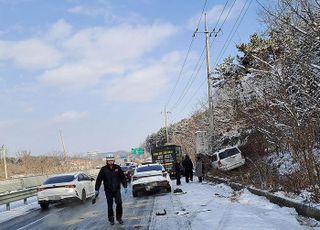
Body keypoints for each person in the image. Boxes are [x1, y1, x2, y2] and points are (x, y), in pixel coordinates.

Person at [95, 154, 128, 225]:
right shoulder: (103, 169)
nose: (110, 161)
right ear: (107, 161)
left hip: (116, 189)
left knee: (119, 203)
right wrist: (97, 189)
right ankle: (111, 219)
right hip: (108, 190)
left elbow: (122, 177)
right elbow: (99, 180)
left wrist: (125, 186)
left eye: (112, 160)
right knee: (110, 205)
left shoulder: (117, 168)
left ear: (114, 160)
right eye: (109, 160)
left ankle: (119, 218)